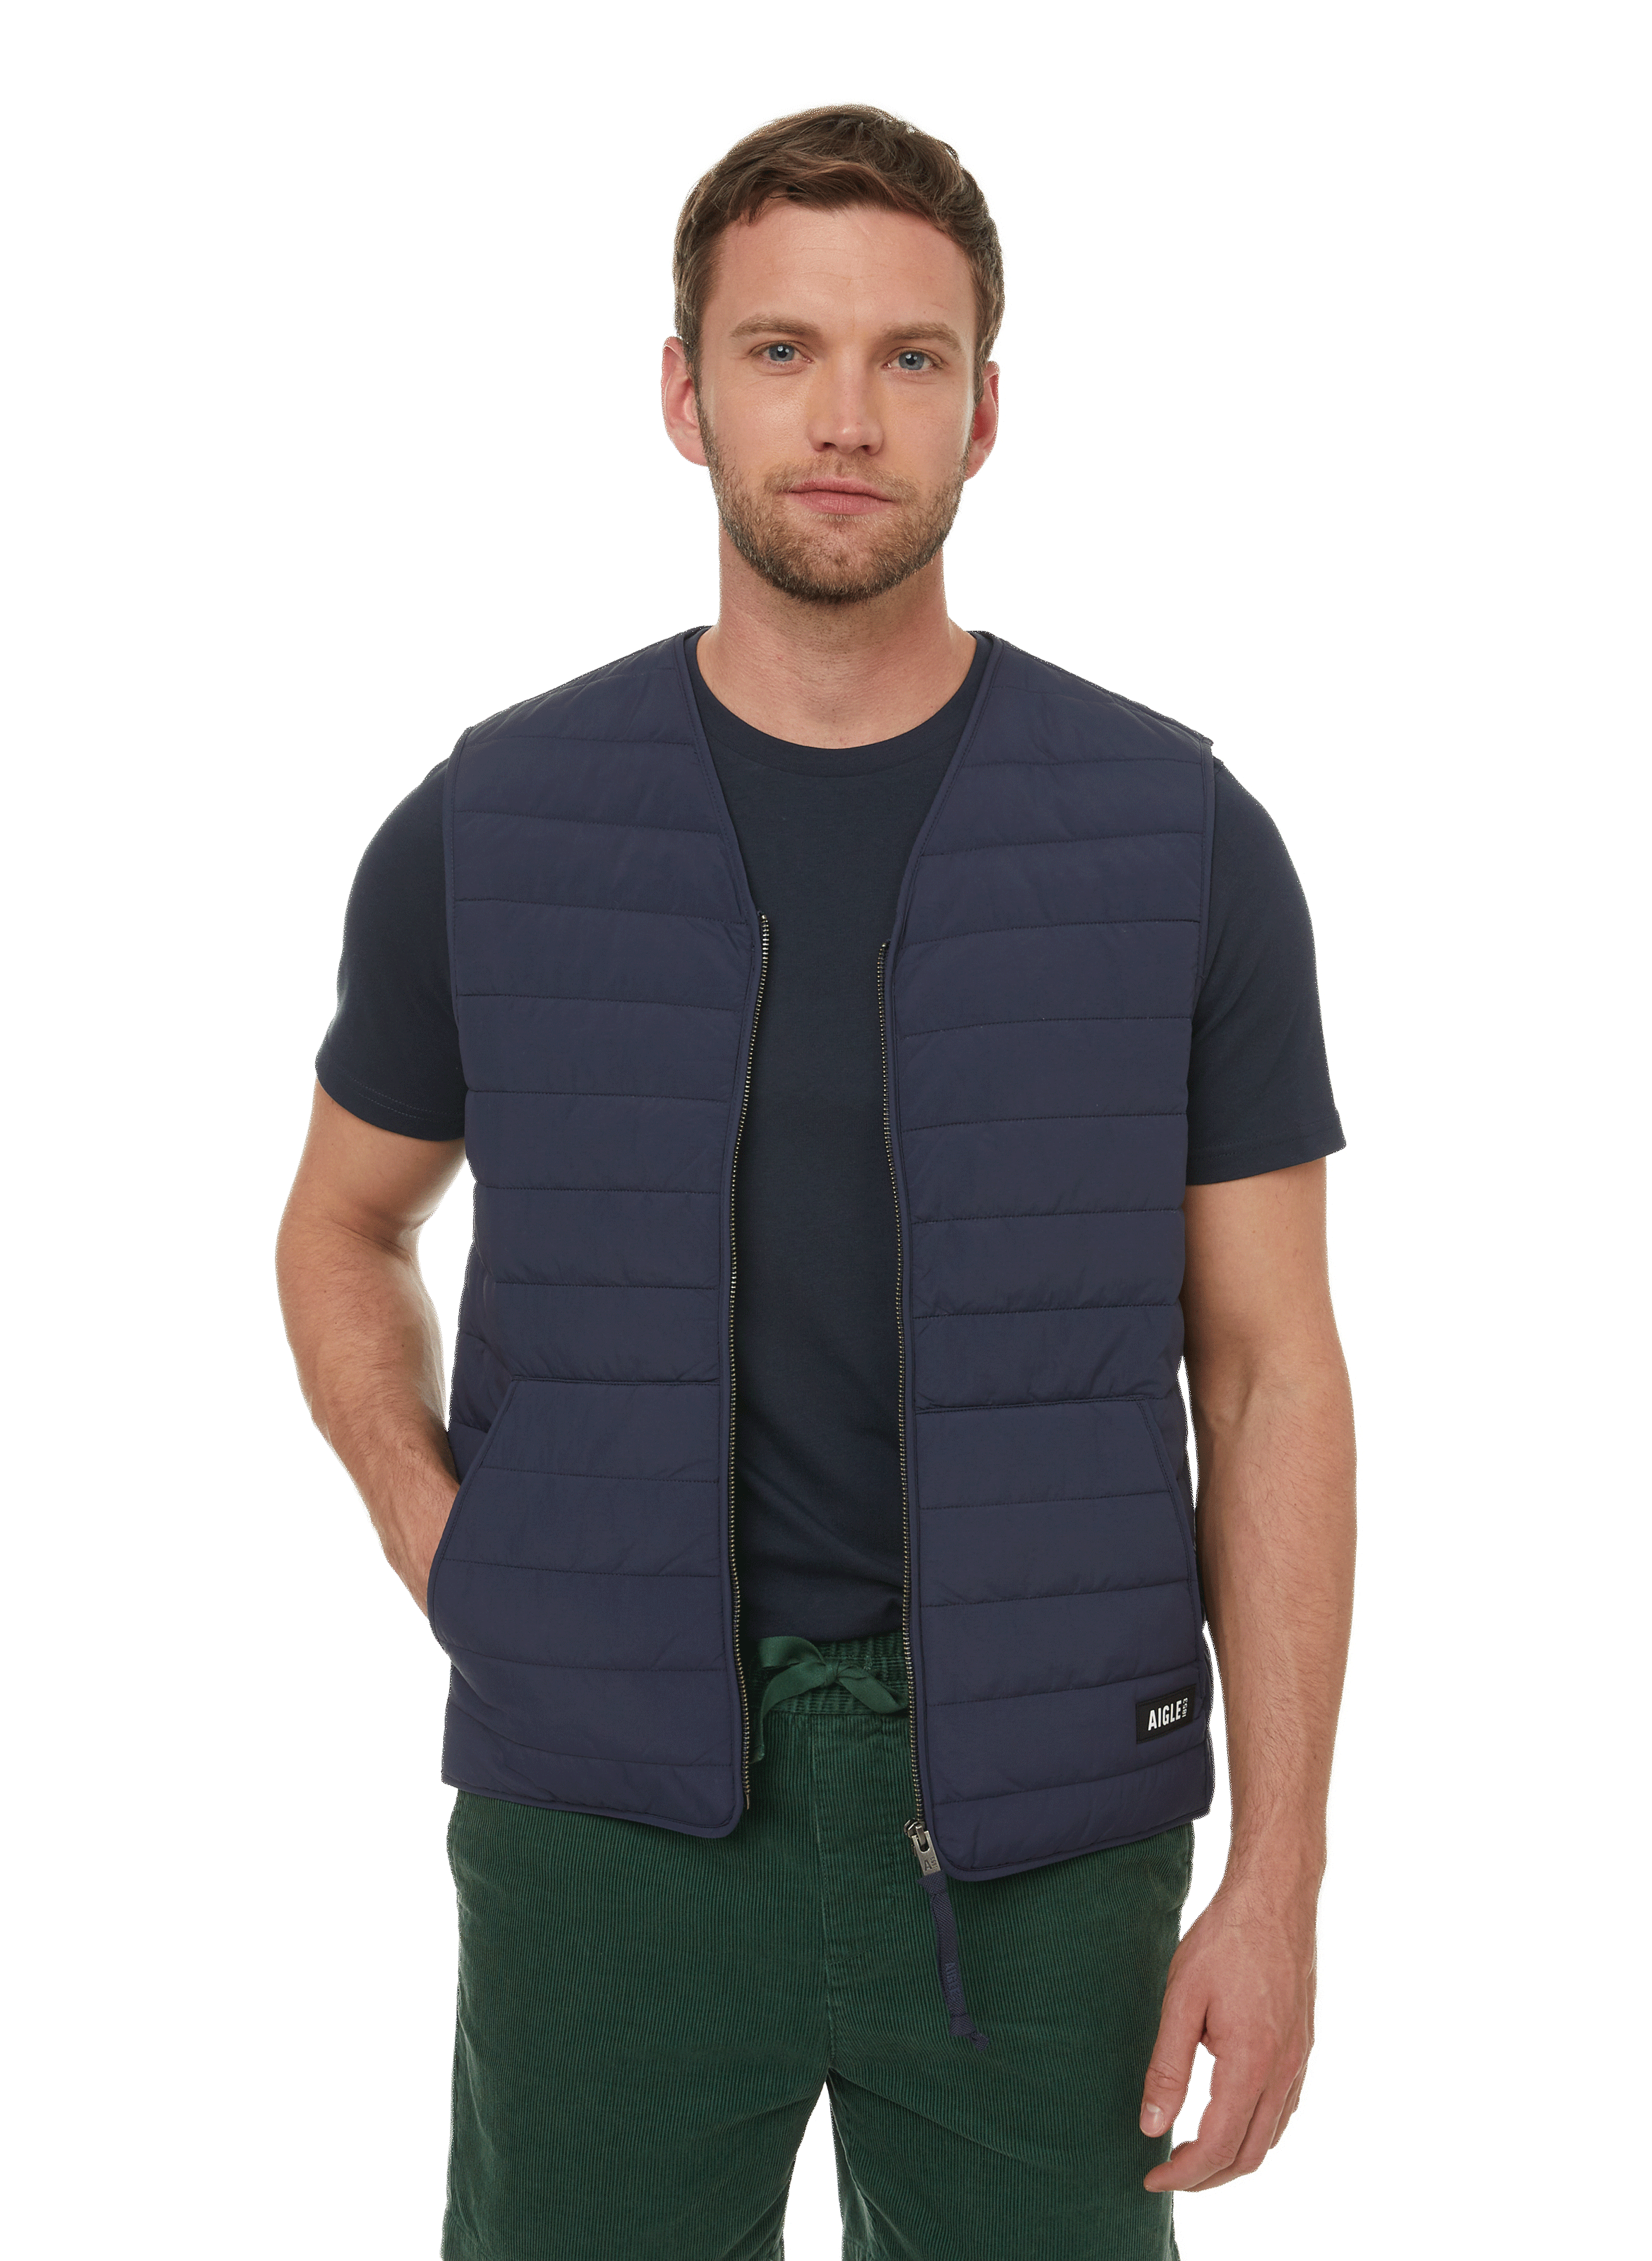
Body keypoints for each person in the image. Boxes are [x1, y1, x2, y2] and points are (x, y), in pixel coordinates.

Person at [272, 99, 1359, 2261]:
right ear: (684, 396)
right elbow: (339, 1225)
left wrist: (1276, 1888)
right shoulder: (488, 824)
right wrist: (454, 1546)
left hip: (1053, 1825)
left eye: (907, 357)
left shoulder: (1179, 837)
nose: (844, 418)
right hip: (608, 1823)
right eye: (782, 351)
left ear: (986, 411)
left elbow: (1272, 1372)